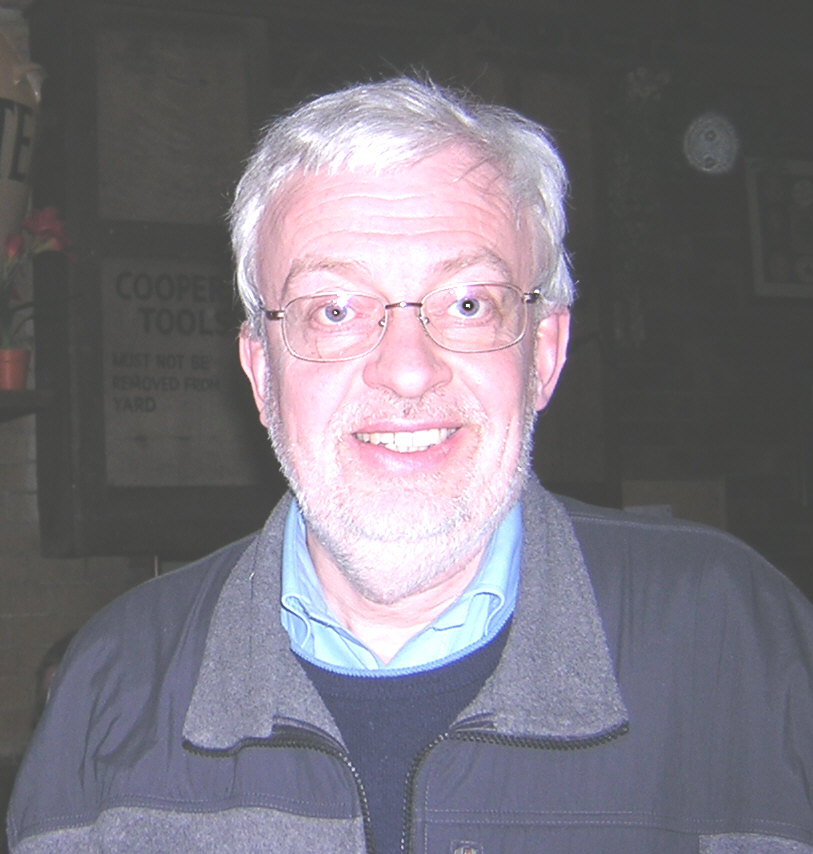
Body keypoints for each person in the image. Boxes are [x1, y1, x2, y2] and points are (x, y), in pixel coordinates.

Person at [7, 78, 813, 854]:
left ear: (543, 352)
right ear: (260, 373)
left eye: (466, 303)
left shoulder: (742, 644)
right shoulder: (113, 685)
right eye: (333, 310)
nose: (405, 370)